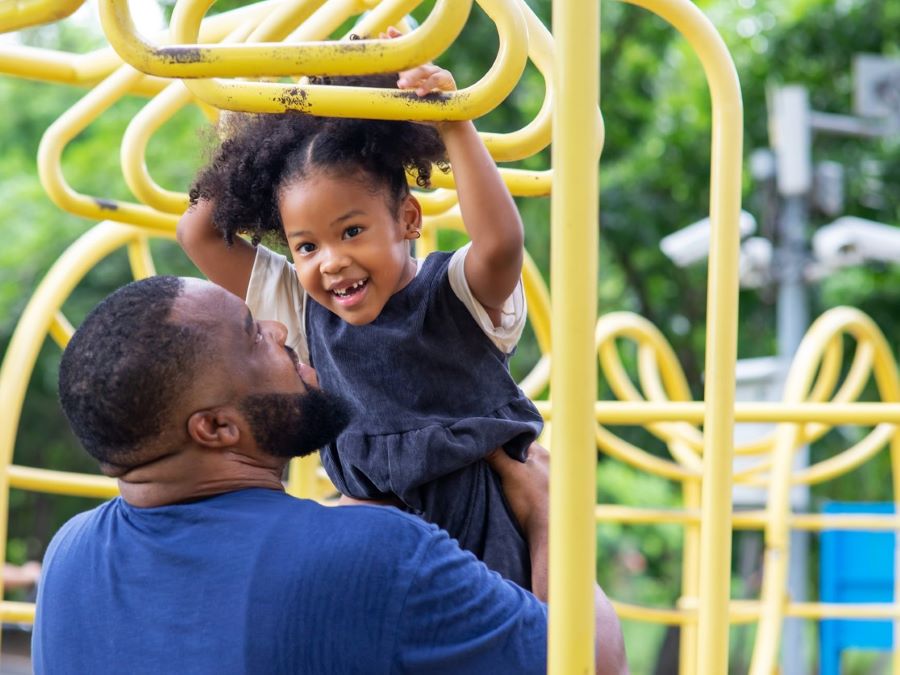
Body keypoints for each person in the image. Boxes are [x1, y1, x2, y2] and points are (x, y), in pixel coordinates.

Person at [32, 276, 627, 674]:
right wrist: (550, 513)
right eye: (253, 334)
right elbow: (592, 661)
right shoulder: (379, 554)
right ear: (215, 428)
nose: (280, 330)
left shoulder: (69, 559)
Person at [178, 52, 543, 588]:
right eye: (306, 245)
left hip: (483, 539)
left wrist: (453, 122)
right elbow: (198, 234)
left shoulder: (456, 296)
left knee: (539, 634)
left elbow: (501, 242)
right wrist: (289, 115)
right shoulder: (304, 311)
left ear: (408, 218)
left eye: (351, 231)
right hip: (375, 547)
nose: (330, 260)